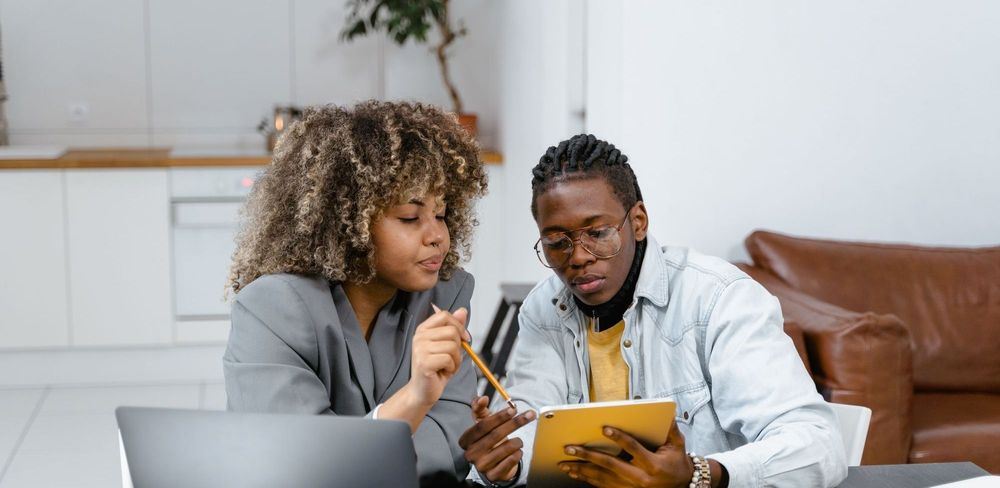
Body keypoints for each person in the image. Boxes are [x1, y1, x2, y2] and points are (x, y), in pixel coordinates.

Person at [463, 134, 848, 487]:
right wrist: (508, 463)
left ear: (638, 221)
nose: (578, 257)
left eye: (598, 233)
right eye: (557, 241)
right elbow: (528, 423)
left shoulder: (718, 298)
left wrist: (698, 475)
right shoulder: (544, 307)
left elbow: (817, 444)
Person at [223, 100, 488, 487]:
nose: (437, 236)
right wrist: (415, 399)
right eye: (410, 217)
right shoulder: (271, 309)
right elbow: (297, 468)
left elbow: (448, 449)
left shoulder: (444, 297)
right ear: (350, 223)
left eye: (442, 213)